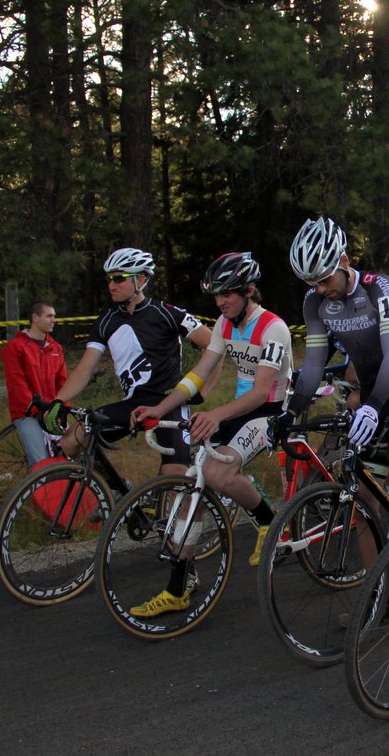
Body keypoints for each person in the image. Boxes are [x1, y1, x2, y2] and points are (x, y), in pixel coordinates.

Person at [130, 252, 290, 616]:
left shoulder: (273, 327)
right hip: (242, 408)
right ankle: (177, 589)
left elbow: (262, 391)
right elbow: (199, 374)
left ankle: (269, 523)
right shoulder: (224, 323)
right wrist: (161, 407)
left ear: (249, 291)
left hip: (271, 410)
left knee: (218, 473)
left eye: (227, 294)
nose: (220, 302)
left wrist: (216, 415)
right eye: (216, 296)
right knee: (193, 486)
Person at [279, 217, 389, 522]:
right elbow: (313, 363)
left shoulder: (380, 287)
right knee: (363, 501)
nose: (321, 289)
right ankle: (373, 572)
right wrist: (292, 410)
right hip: (370, 394)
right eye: (312, 283)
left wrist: (373, 407)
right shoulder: (314, 302)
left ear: (344, 260)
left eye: (325, 279)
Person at [40, 248, 211, 476]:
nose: (112, 285)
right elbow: (84, 370)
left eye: (119, 278)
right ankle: (114, 498)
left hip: (169, 403)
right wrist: (59, 400)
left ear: (140, 279)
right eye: (109, 278)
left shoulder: (167, 313)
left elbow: (214, 346)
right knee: (70, 442)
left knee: (175, 474)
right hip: (132, 404)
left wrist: (203, 390)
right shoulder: (106, 321)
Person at [1, 302, 67, 467]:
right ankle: (41, 491)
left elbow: (63, 383)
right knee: (41, 462)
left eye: (54, 316)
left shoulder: (55, 348)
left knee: (72, 449)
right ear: (35, 318)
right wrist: (39, 411)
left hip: (52, 411)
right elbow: (17, 385)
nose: (54, 320)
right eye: (49, 316)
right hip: (27, 412)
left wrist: (62, 408)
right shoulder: (15, 347)